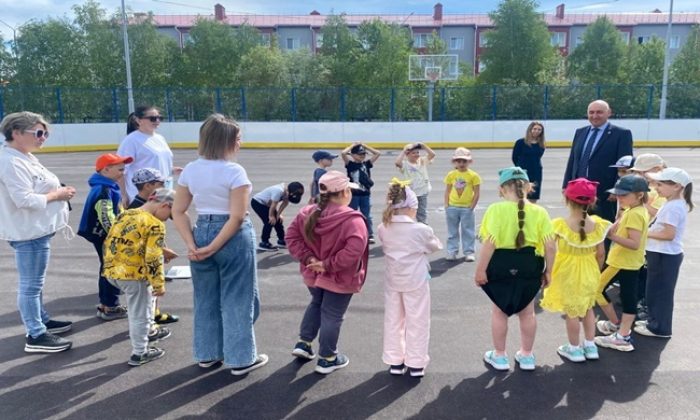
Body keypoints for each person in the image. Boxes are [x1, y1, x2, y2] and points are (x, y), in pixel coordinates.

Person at [172, 114, 268, 376]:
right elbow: (237, 216)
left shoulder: (191, 169)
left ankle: (207, 354)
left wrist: (193, 244)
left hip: (201, 229)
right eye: (237, 139)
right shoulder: (234, 171)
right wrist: (215, 246)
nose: (240, 143)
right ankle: (240, 358)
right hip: (231, 235)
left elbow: (178, 211)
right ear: (228, 141)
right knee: (239, 297)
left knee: (205, 298)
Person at [1, 111, 77, 353]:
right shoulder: (11, 161)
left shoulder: (23, 156)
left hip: (35, 230)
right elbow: (24, 200)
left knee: (35, 283)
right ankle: (36, 335)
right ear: (16, 133)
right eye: (39, 133)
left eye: (45, 133)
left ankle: (41, 320)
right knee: (31, 285)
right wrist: (59, 194)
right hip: (29, 233)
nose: (43, 137)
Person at [286, 170, 369, 375]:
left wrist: (309, 259)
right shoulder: (352, 220)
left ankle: (304, 343)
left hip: (312, 273)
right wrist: (328, 265)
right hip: (339, 277)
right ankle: (328, 357)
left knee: (317, 304)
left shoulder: (307, 213)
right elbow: (354, 249)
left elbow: (291, 237)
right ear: (343, 193)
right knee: (332, 314)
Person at [475, 167, 555, 372]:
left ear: (502, 189)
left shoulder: (495, 209)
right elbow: (549, 245)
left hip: (500, 263)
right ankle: (527, 355)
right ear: (529, 187)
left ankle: (500, 356)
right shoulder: (540, 212)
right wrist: (549, 271)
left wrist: (481, 270)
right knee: (527, 312)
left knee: (499, 311)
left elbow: (489, 243)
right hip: (529, 264)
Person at [540, 178, 611, 363]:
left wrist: (548, 270)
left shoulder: (559, 225)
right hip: (589, 269)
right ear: (593, 201)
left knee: (571, 311)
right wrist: (597, 271)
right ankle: (590, 345)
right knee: (587, 308)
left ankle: (574, 349)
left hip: (567, 270)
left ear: (567, 200)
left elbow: (549, 249)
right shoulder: (598, 224)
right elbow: (601, 253)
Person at [102, 188, 175, 366]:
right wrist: (159, 283)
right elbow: (153, 257)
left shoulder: (125, 215)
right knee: (139, 314)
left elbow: (111, 240)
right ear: (165, 205)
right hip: (135, 275)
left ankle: (149, 331)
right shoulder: (155, 224)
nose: (167, 219)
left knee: (143, 305)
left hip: (113, 270)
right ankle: (139, 352)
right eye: (169, 214)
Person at [378, 179, 442, 377]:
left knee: (393, 319)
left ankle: (394, 360)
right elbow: (434, 246)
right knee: (418, 320)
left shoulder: (383, 228)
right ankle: (416, 363)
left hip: (393, 279)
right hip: (416, 280)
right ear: (411, 207)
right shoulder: (421, 229)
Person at [634, 168, 693, 338]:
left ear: (676, 186)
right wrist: (644, 205)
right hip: (661, 254)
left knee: (660, 293)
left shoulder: (674, 207)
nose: (656, 187)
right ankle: (654, 321)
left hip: (664, 255)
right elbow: (658, 216)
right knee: (654, 291)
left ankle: (659, 328)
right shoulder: (671, 203)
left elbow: (668, 234)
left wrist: (643, 233)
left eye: (660, 184)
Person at [594, 175, 650, 352]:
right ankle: (618, 328)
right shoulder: (633, 210)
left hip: (623, 262)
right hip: (625, 262)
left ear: (639, 194)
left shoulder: (634, 214)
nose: (619, 198)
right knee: (627, 297)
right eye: (617, 194)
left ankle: (620, 332)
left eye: (624, 195)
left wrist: (612, 237)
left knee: (600, 291)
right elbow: (615, 226)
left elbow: (634, 244)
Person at [78, 153, 133, 321]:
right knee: (110, 269)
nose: (123, 172)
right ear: (106, 169)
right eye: (120, 169)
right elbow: (106, 217)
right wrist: (119, 237)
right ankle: (110, 306)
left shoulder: (106, 185)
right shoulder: (104, 189)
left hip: (102, 235)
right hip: (104, 236)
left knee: (106, 268)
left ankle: (106, 304)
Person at [562, 100, 634, 223]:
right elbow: (573, 160)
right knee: (579, 226)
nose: (595, 116)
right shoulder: (580, 132)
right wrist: (566, 185)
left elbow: (625, 164)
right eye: (591, 112)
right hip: (579, 190)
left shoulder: (621, 134)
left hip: (605, 193)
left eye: (599, 112)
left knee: (603, 230)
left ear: (609, 113)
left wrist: (618, 188)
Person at [128, 168, 180, 326]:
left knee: (151, 292)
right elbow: (138, 241)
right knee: (147, 292)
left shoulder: (152, 204)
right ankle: (149, 325)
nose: (164, 185)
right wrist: (162, 251)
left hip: (152, 252)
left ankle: (154, 314)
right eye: (160, 183)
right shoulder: (136, 209)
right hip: (139, 263)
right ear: (148, 186)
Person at [117, 105, 182, 205]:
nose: (157, 121)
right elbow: (120, 170)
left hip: (163, 194)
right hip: (141, 197)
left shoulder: (160, 138)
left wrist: (171, 169)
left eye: (159, 118)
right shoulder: (131, 140)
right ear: (139, 120)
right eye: (152, 118)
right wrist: (123, 195)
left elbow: (155, 163)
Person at [443, 147, 481, 261]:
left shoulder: (474, 176)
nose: (461, 163)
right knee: (452, 231)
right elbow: (448, 190)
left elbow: (477, 192)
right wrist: (446, 205)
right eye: (459, 161)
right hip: (452, 207)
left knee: (468, 230)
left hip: (467, 208)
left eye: (464, 161)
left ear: (469, 162)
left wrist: (472, 206)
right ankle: (452, 251)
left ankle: (469, 252)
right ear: (455, 162)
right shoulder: (451, 175)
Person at [342, 142, 381, 244]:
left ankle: (369, 234)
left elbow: (377, 153)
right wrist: (352, 145)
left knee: (366, 215)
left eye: (363, 154)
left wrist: (365, 145)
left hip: (365, 194)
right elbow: (343, 153)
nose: (362, 156)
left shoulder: (367, 164)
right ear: (353, 155)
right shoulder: (350, 165)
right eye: (360, 154)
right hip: (353, 195)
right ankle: (351, 233)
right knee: (351, 214)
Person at [251, 182, 304, 251]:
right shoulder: (278, 191)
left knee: (278, 221)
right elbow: (273, 205)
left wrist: (278, 215)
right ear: (289, 192)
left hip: (268, 205)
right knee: (269, 222)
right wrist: (271, 216)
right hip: (258, 203)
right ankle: (264, 243)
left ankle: (282, 241)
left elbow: (285, 203)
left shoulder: (287, 191)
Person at [395, 142, 436, 224]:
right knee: (410, 211)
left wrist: (423, 146)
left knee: (422, 212)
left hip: (422, 192)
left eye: (417, 152)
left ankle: (423, 226)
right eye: (413, 153)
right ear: (407, 154)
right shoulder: (405, 165)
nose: (416, 154)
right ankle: (411, 226)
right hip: (411, 193)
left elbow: (432, 154)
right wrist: (403, 151)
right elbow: (397, 163)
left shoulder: (422, 161)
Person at [511, 122, 546, 203]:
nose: (536, 131)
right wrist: (520, 167)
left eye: (539, 129)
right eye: (535, 129)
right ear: (530, 129)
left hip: (536, 172)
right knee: (521, 195)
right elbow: (514, 157)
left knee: (533, 195)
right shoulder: (520, 142)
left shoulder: (541, 144)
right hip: (523, 172)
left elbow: (538, 157)